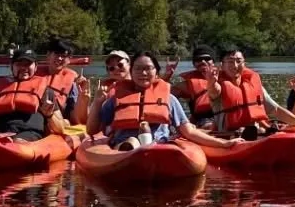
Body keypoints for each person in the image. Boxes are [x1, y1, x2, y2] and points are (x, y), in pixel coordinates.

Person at [90, 52, 218, 152]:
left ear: (156, 72)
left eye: (148, 68)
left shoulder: (169, 99)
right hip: (123, 149)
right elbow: (92, 130)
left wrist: (224, 144)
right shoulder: (116, 99)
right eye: (138, 69)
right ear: (131, 72)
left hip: (159, 147)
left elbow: (189, 132)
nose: (143, 73)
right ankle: (132, 146)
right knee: (131, 142)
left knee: (151, 145)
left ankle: (142, 146)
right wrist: (96, 103)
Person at [207, 49, 295, 139]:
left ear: (244, 64)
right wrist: (211, 82)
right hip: (229, 136)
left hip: (255, 133)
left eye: (238, 61)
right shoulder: (218, 85)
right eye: (230, 62)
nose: (235, 65)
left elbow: (276, 110)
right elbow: (213, 91)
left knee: (263, 131)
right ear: (222, 66)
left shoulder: (253, 85)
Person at [41, 37, 89, 126]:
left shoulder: (73, 81)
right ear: (48, 55)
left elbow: (74, 118)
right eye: (56, 54)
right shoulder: (32, 75)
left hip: (55, 120)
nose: (59, 58)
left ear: (69, 60)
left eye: (64, 55)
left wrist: (82, 100)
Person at [169, 48, 218, 128]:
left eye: (207, 59)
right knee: (209, 125)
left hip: (227, 117)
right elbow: (163, 96)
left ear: (213, 61)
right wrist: (167, 76)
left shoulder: (227, 76)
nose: (202, 61)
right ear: (194, 64)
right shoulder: (187, 84)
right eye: (198, 60)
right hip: (205, 120)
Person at [87, 50, 132, 135]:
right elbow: (90, 129)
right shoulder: (104, 90)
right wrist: (97, 102)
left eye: (120, 64)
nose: (116, 69)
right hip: (112, 135)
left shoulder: (140, 85)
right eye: (111, 68)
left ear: (129, 65)